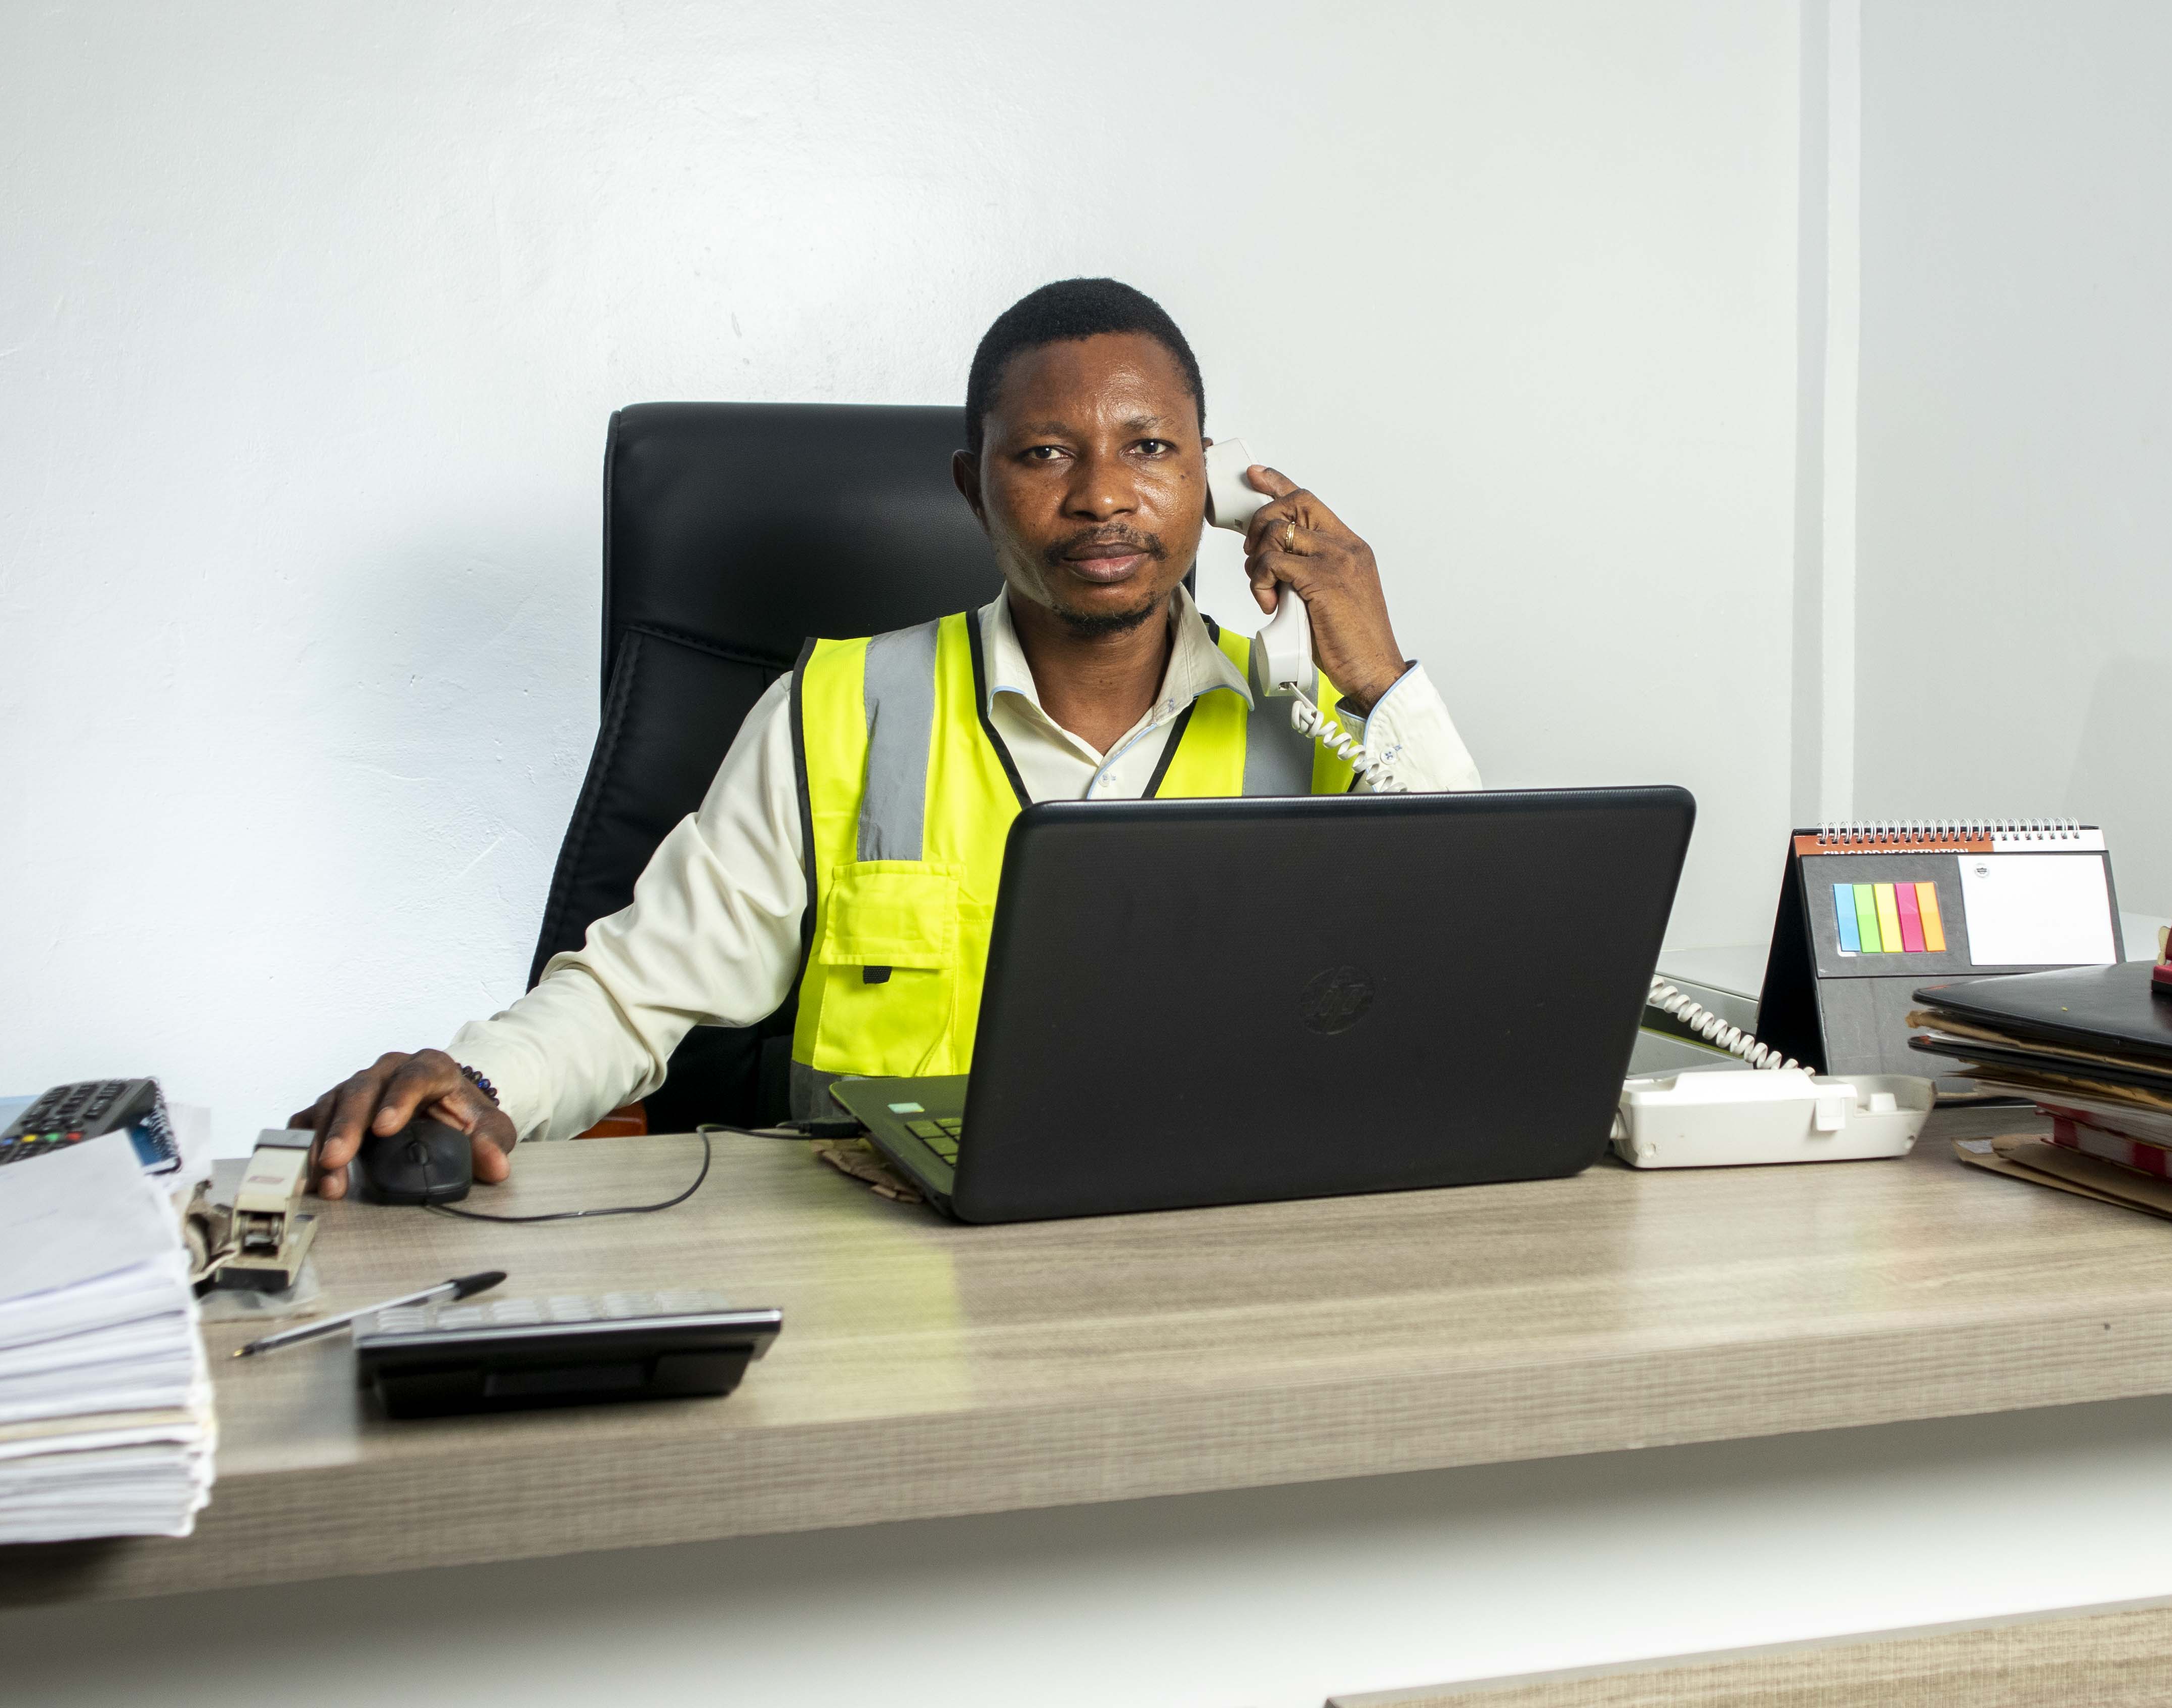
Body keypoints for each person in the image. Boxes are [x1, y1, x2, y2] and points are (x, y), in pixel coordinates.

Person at [293, 278, 1480, 1193]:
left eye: (1151, 447)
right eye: (1046, 452)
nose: (1105, 494)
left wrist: (1372, 670)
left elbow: (1469, 975)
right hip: (880, 1285)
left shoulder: (1313, 721)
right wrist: (481, 1080)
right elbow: (635, 990)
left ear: (1214, 480)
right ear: (974, 487)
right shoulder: (841, 706)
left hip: (1214, 1254)